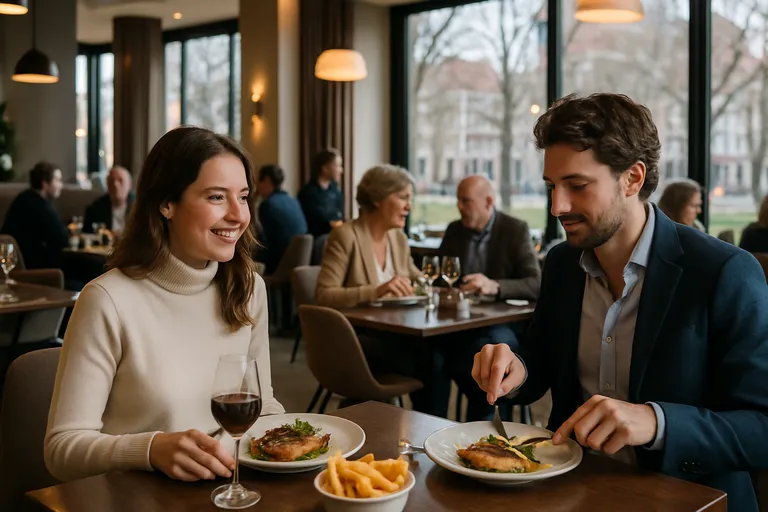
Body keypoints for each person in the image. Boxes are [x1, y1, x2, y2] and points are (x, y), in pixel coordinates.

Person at [471, 93, 768, 512]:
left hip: (686, 499)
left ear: (632, 179)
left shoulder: (724, 271)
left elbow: (761, 428)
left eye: (577, 186)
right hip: (572, 491)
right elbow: (540, 362)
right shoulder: (561, 263)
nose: (557, 206)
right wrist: (515, 369)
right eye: (552, 187)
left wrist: (656, 422)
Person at [44, 126, 284, 483]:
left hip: (226, 489)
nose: (238, 215)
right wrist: (151, 449)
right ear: (166, 203)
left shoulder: (249, 288)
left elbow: (263, 407)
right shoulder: (107, 300)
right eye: (217, 197)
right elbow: (62, 450)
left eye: (244, 196)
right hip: (137, 496)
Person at [316, 164, 449, 417]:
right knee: (433, 361)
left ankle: (427, 430)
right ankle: (428, 431)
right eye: (403, 197)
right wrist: (376, 290)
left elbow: (419, 278)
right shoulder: (346, 236)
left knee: (438, 355)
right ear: (377, 198)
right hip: (357, 340)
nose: (409, 206)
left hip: (397, 334)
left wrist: (441, 288)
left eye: (410, 198)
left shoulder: (398, 238)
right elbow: (324, 295)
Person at [438, 174, 541, 421]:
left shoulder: (515, 230)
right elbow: (441, 279)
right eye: (458, 201)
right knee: (431, 356)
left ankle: (486, 426)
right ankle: (432, 430)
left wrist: (494, 286)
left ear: (488, 202)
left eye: (466, 201)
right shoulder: (454, 231)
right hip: (458, 323)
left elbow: (535, 283)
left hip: (501, 324)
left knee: (492, 351)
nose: (459, 207)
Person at [1, 161, 68, 270]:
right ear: (45, 183)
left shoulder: (22, 199)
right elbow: (62, 239)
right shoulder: (42, 208)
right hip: (35, 269)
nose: (61, 185)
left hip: (20, 265)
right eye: (58, 180)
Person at [255, 164, 308, 275]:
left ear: (267, 180)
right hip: (298, 263)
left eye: (259, 181)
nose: (257, 186)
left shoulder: (268, 204)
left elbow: (267, 242)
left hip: (278, 264)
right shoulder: (293, 201)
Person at [298, 149, 344, 238]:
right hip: (318, 238)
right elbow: (313, 223)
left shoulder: (336, 190)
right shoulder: (308, 193)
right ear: (325, 168)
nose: (341, 170)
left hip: (335, 234)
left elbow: (340, 215)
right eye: (338, 166)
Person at [83, 165, 134, 236]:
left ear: (129, 185)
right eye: (111, 181)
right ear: (107, 185)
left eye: (120, 180)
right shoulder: (95, 208)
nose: (115, 184)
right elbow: (87, 234)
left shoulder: (139, 207)